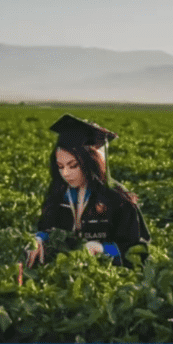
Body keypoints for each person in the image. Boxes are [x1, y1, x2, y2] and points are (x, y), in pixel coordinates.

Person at [26, 114, 150, 269]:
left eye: (73, 166)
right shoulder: (58, 194)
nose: (65, 174)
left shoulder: (117, 200)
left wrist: (102, 249)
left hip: (104, 277)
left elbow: (136, 248)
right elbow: (47, 227)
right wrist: (38, 239)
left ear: (92, 162)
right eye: (60, 166)